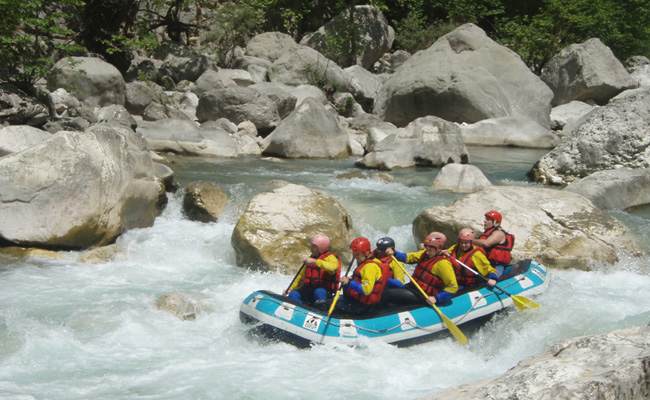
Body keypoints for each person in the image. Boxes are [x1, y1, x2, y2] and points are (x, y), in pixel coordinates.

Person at [386, 232, 459, 306]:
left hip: (423, 295)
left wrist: (436, 298)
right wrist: (395, 253)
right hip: (413, 288)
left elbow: (453, 286)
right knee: (389, 298)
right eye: (426, 248)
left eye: (430, 250)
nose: (427, 252)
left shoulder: (443, 264)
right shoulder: (425, 254)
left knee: (386, 294)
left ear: (439, 249)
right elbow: (409, 257)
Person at [283, 234, 341, 306]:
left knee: (319, 292)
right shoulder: (311, 258)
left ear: (321, 248)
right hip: (309, 290)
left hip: (323, 292)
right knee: (293, 294)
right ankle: (301, 309)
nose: (311, 249)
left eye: (314, 247)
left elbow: (333, 267)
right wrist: (291, 289)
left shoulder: (330, 257)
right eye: (312, 246)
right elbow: (300, 276)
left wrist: (315, 261)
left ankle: (321, 311)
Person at [338, 237, 390, 313]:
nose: (356, 257)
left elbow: (366, 290)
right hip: (359, 301)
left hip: (363, 306)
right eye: (355, 255)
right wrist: (351, 279)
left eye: (358, 254)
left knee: (324, 305)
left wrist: (349, 282)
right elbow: (365, 278)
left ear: (366, 252)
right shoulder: (372, 261)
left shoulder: (370, 267)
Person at [472, 211, 515, 276]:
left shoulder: (499, 233)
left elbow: (486, 243)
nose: (485, 221)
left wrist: (469, 240)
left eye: (488, 219)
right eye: (485, 218)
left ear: (495, 223)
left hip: (496, 267)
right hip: (484, 264)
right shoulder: (486, 234)